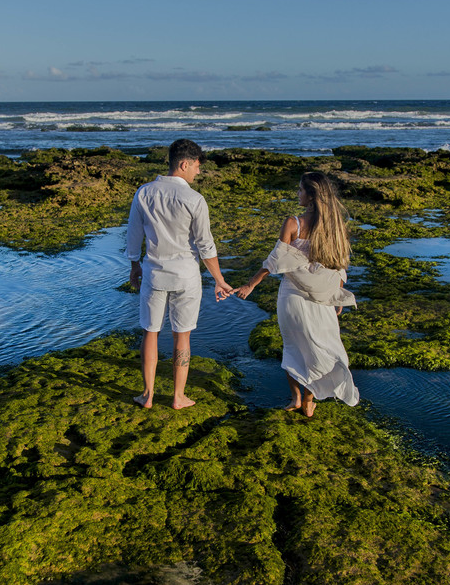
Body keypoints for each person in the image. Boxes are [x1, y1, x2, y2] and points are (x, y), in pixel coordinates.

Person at [235, 171, 359, 417]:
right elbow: (341, 264)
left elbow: (274, 261)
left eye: (301, 190)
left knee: (292, 346)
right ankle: (310, 401)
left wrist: (251, 284)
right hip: (323, 296)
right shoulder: (336, 228)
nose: (298, 194)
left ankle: (296, 398)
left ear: (311, 196)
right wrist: (338, 293)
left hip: (292, 294)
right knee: (319, 346)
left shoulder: (294, 223)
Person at [126, 139, 233, 409]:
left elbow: (133, 235)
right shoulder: (194, 199)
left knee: (150, 331)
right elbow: (205, 245)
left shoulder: (144, 193)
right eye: (196, 166)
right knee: (181, 335)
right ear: (184, 164)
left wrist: (134, 264)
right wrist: (219, 280)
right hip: (185, 276)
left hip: (153, 273)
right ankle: (177, 397)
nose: (198, 172)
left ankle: (148, 395)